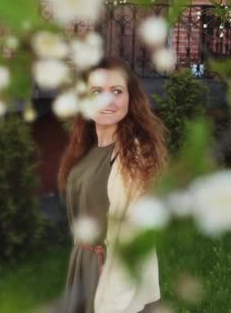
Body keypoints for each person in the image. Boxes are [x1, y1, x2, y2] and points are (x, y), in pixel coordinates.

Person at [57, 57, 168, 313]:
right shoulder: (86, 147)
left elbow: (133, 238)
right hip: (84, 266)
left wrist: (113, 304)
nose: (107, 101)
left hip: (111, 273)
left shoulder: (133, 156)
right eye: (96, 92)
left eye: (117, 91)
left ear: (131, 98)